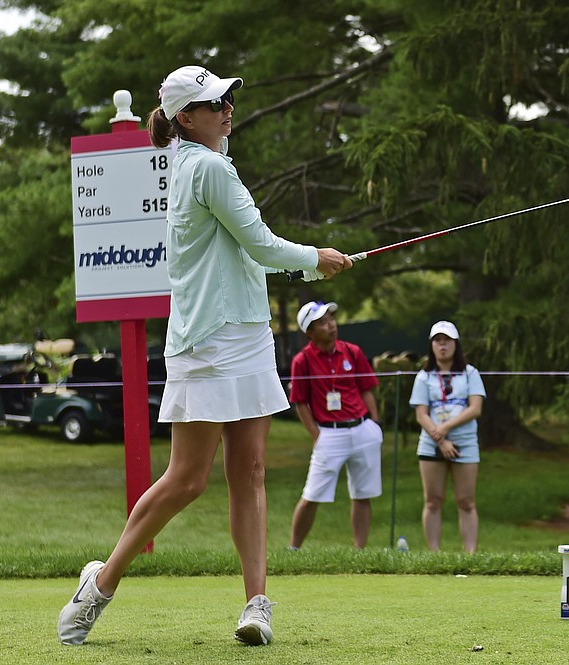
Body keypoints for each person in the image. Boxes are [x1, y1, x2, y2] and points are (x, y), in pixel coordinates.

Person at [57, 65, 353, 648]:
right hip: (206, 340)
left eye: (229, 98)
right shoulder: (208, 167)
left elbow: (252, 252)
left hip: (246, 335)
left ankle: (256, 604)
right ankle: (101, 582)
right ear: (186, 119)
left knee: (250, 473)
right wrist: (315, 259)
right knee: (188, 480)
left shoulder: (209, 162)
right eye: (215, 103)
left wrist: (306, 262)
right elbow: (263, 244)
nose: (228, 108)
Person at [288, 300, 383, 550]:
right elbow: (300, 403)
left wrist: (374, 422)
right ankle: (294, 549)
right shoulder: (302, 361)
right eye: (323, 322)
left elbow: (367, 388)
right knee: (311, 495)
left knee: (362, 494)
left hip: (362, 428)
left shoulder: (352, 351)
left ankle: (359, 551)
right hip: (329, 433)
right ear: (309, 332)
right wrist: (316, 436)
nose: (331, 325)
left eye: (331, 319)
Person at [409, 321, 486, 552]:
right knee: (433, 501)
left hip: (465, 442)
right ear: (431, 345)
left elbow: (475, 408)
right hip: (432, 444)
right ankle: (434, 553)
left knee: (466, 501)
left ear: (456, 344)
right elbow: (421, 413)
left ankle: (470, 554)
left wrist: (446, 428)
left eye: (447, 341)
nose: (442, 345)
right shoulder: (424, 376)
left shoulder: (470, 373)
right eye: (437, 341)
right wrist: (440, 439)